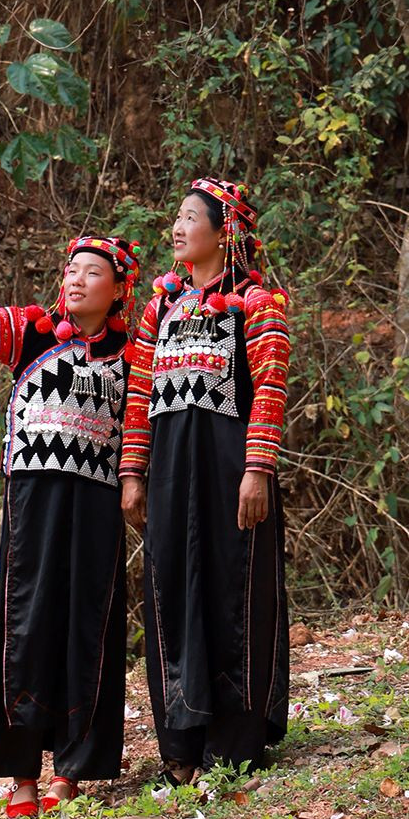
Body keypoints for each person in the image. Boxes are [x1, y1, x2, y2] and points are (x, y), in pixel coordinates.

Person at [0, 192, 138, 817]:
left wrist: (136, 483)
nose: (75, 280)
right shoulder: (32, 331)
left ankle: (75, 767)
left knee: (86, 625)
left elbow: (145, 425)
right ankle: (21, 774)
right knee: (26, 623)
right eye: (70, 270)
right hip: (31, 498)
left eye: (92, 272)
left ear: (119, 289)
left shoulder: (134, 355)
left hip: (95, 505)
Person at [120, 176, 289, 778]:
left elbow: (269, 385)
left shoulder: (257, 302)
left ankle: (235, 740)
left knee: (232, 587)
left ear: (225, 232)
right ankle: (180, 745)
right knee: (170, 588)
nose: (177, 226)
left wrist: (257, 468)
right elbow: (138, 394)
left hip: (229, 472)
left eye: (191, 217)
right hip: (168, 474)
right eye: (178, 216)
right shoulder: (158, 308)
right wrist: (132, 472)